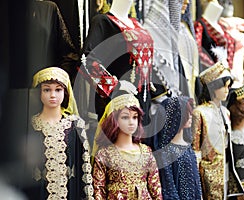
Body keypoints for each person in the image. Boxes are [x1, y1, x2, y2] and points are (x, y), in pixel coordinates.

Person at [81, 0, 157, 125]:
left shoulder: (136, 23)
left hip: (143, 98)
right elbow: (87, 60)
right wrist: (116, 85)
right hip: (119, 100)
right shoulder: (103, 22)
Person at [24, 67, 93, 199]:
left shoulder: (75, 125)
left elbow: (82, 167)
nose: (53, 95)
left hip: (70, 193)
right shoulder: (30, 125)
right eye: (47, 89)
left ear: (65, 92)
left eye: (58, 89)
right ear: (39, 92)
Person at [92, 93, 162, 199]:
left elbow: (155, 188)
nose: (131, 122)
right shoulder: (104, 154)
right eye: (125, 117)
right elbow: (98, 191)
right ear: (114, 120)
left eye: (135, 117)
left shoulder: (146, 152)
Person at [192, 61, 237, 199]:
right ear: (212, 87)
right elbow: (195, 147)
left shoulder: (225, 112)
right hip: (207, 171)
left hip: (225, 168)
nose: (226, 90)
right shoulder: (200, 112)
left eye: (228, 86)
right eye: (222, 86)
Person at [150, 96, 202, 199]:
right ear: (175, 116)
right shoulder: (165, 152)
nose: (191, 115)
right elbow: (169, 188)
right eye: (187, 112)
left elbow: (196, 180)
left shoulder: (187, 146)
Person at [194, 0, 235, 70]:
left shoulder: (222, 27)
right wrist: (215, 68)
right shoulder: (200, 25)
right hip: (209, 73)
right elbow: (197, 50)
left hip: (225, 73)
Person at [218, 0, 244, 83]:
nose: (228, 5)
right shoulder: (216, 29)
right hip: (223, 76)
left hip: (238, 74)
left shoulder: (239, 33)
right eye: (223, 2)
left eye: (230, 3)